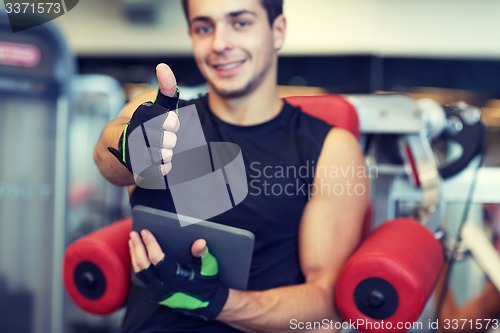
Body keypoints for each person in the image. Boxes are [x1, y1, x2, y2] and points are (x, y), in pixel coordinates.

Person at [93, 0, 369, 332]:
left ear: (277, 31)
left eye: (240, 23)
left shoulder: (329, 148)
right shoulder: (164, 117)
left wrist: (216, 302)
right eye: (204, 27)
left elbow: (327, 306)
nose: (220, 44)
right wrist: (130, 145)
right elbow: (106, 157)